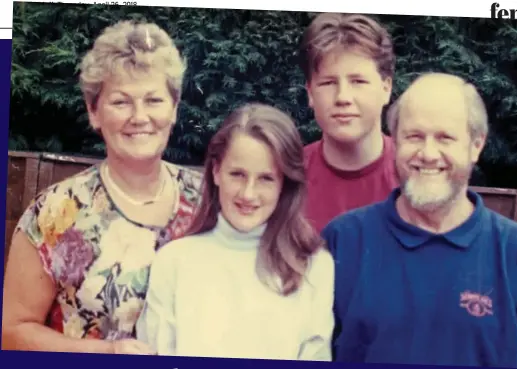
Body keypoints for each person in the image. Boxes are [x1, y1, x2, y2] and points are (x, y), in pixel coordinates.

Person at [2, 20, 201, 354]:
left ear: (175, 109)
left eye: (153, 100)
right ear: (94, 112)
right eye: (121, 102)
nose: (140, 117)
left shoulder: (210, 201)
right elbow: (10, 332)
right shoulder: (55, 212)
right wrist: (104, 353)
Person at [322, 73, 517, 368]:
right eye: (414, 136)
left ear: (475, 146)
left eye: (445, 138)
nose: (428, 153)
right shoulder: (343, 242)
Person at [136, 103, 335, 360]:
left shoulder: (314, 266)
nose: (248, 193)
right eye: (237, 174)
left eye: (266, 178)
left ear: (284, 183)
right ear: (217, 171)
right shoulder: (174, 262)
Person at [299, 13, 399, 233]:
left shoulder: (412, 174)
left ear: (386, 88)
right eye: (328, 82)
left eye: (358, 81)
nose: (343, 97)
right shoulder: (288, 177)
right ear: (310, 93)